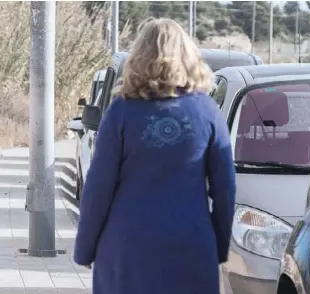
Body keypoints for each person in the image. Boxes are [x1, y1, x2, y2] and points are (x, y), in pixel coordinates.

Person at [73, 17, 236, 294]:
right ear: (188, 56)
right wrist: (218, 246)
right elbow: (225, 191)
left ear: (139, 56)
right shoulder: (207, 112)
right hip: (191, 248)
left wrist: (85, 249)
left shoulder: (121, 112)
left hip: (126, 250)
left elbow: (98, 187)